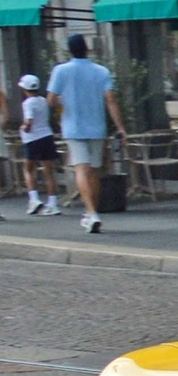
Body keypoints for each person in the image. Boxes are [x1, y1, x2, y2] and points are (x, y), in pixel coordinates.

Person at [46, 35, 123, 236]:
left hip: (73, 128)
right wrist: (120, 127)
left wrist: (62, 100)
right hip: (97, 127)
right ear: (87, 49)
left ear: (70, 51)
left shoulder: (60, 70)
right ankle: (91, 212)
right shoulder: (101, 71)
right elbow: (110, 99)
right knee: (94, 171)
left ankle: (91, 213)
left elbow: (51, 101)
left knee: (81, 169)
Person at [17, 73, 59, 216]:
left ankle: (34, 199)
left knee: (28, 169)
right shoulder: (43, 100)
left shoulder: (27, 103)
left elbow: (29, 121)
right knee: (48, 171)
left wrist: (24, 128)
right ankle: (53, 203)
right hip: (47, 136)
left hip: (32, 139)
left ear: (24, 89)